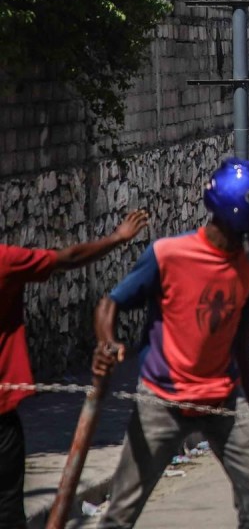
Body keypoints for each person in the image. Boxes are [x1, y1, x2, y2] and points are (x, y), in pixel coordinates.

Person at [94, 158, 249, 528]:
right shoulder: (167, 255)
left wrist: (248, 400)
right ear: (237, 214)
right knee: (122, 510)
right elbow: (111, 303)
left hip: (223, 396)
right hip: (163, 396)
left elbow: (242, 329)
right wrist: (108, 342)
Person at [0, 210, 149, 526]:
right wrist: (117, 238)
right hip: (2, 417)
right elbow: (67, 258)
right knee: (7, 509)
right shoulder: (5, 261)